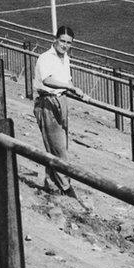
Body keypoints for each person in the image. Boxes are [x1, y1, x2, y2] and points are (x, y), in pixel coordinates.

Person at [33, 25, 87, 196]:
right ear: (55, 40)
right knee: (58, 148)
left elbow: (67, 82)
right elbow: (47, 80)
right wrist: (68, 87)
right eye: (62, 41)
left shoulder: (65, 59)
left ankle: (52, 184)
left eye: (68, 43)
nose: (64, 45)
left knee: (58, 145)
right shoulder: (45, 58)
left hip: (61, 101)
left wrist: (77, 91)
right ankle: (66, 187)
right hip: (47, 102)